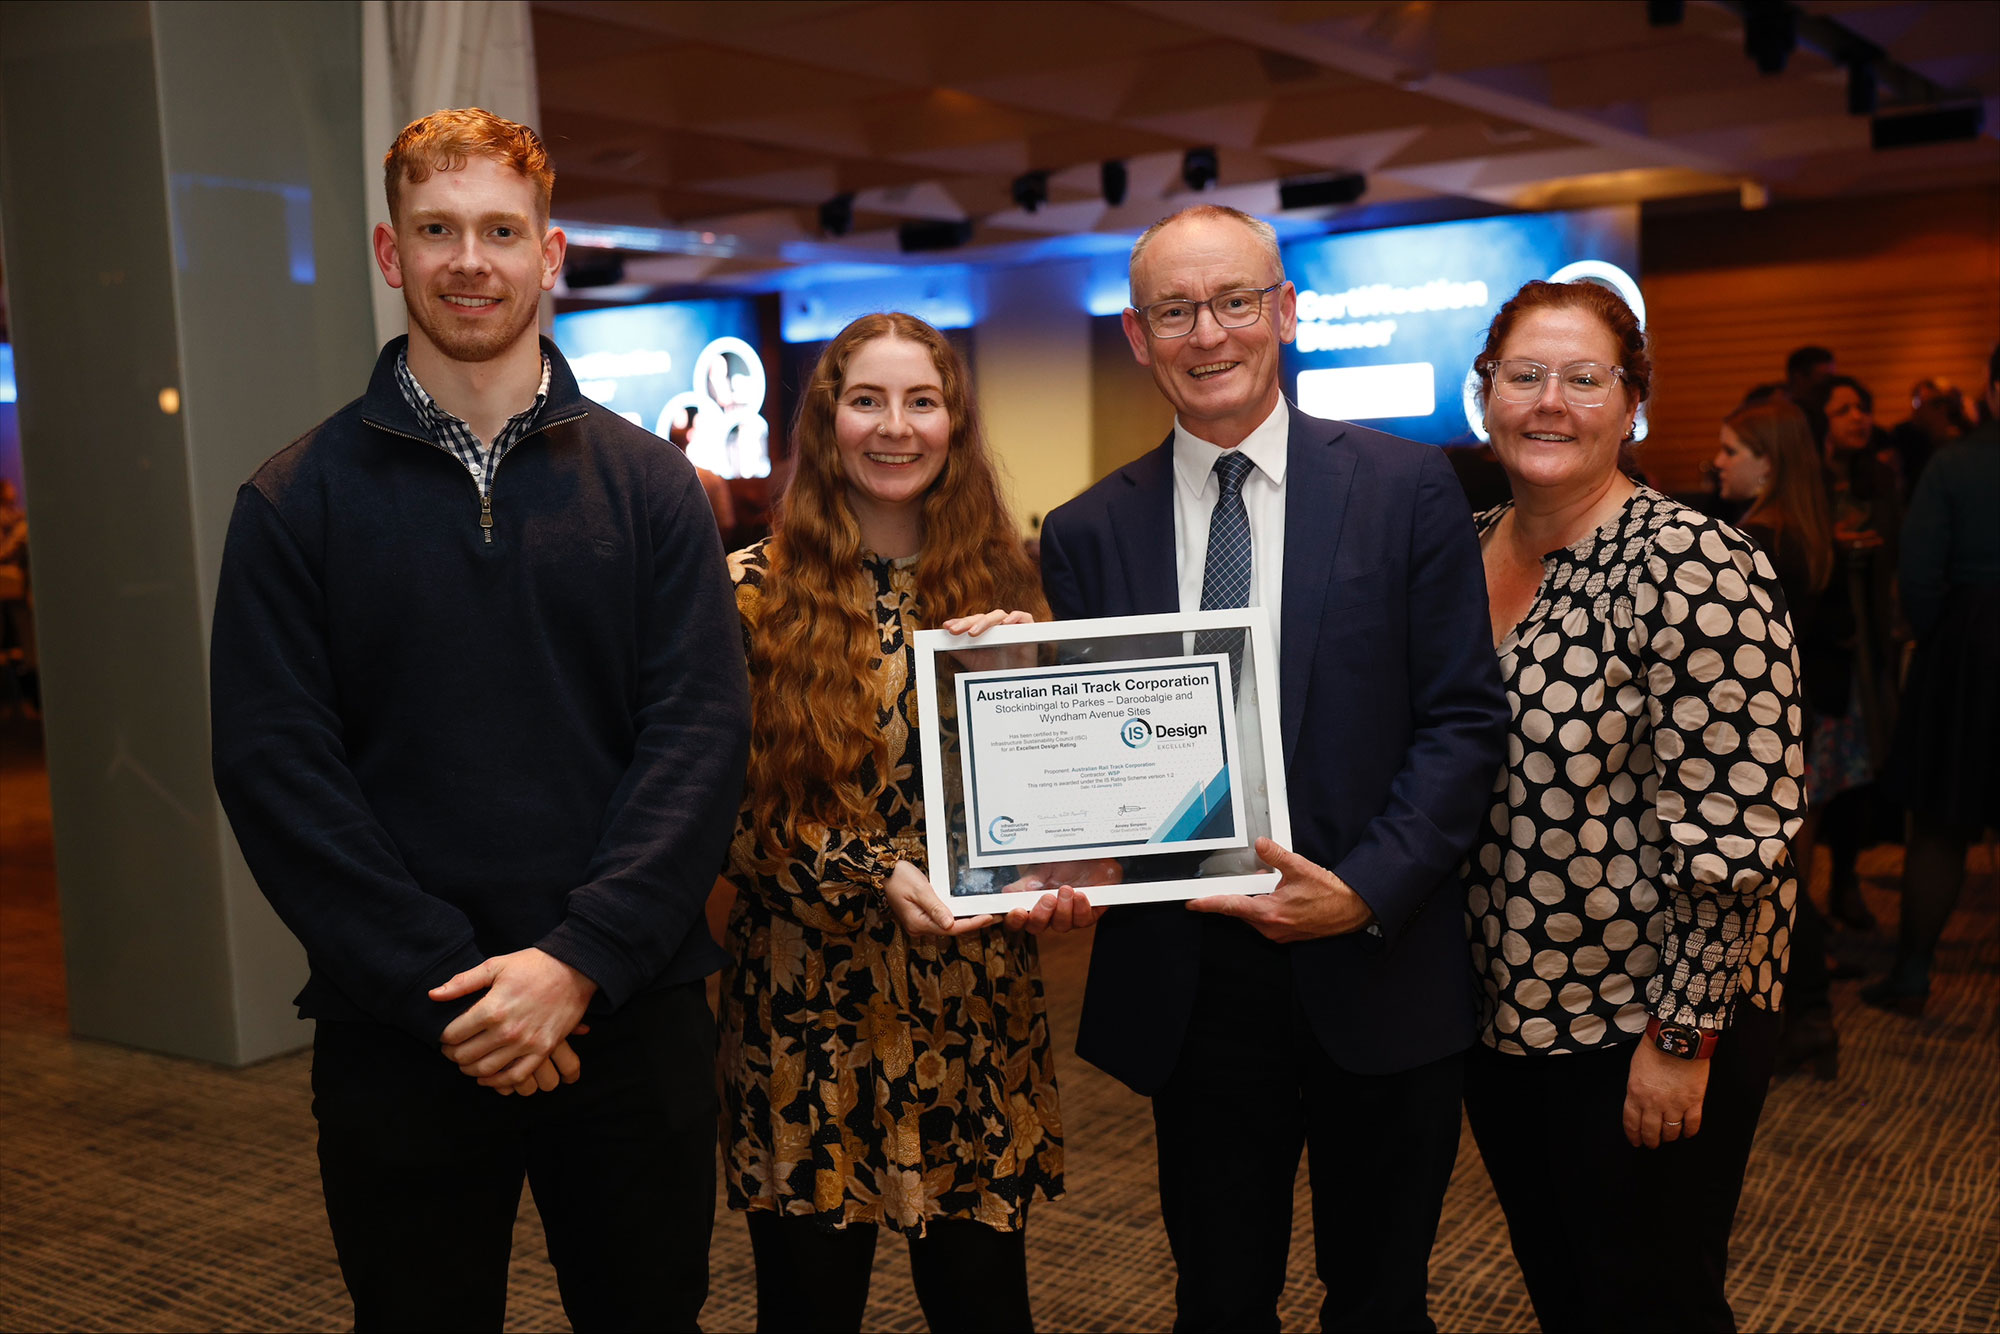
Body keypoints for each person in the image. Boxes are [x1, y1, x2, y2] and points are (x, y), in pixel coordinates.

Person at [209, 108, 750, 1331]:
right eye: (438, 229)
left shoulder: (653, 490)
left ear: (549, 254)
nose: (471, 259)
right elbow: (278, 771)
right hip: (405, 1028)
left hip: (627, 1012)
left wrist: (576, 964)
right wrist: (453, 988)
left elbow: (698, 740)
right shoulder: (296, 501)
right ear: (390, 254)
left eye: (501, 231)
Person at [1036, 204, 1509, 1332]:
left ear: (1283, 312)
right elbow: (1101, 753)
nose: (1209, 333)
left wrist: (1360, 889)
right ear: (1138, 337)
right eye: (1175, 310)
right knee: (1217, 1297)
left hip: (1377, 959)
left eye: (1233, 300)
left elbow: (1460, 720)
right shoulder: (1087, 531)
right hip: (1196, 985)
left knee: (1381, 1299)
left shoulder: (1408, 487)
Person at [719, 312, 1086, 1332]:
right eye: (865, 400)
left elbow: (1049, 806)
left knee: (983, 1308)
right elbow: (714, 812)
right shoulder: (747, 593)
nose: (895, 426)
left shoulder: (1010, 594)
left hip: (972, 1007)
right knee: (808, 1308)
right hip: (805, 1011)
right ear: (826, 420)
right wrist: (869, 870)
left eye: (920, 401)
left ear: (955, 423)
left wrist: (1030, 680)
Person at [1461, 279, 1805, 1333]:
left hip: (1641, 1015)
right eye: (1523, 375)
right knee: (1565, 1289)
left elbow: (1740, 824)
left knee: (1650, 1298)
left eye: (1581, 377)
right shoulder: (1461, 548)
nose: (1548, 401)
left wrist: (1680, 1033)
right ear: (1485, 397)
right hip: (1500, 1011)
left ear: (1632, 406)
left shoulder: (1694, 564)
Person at [1713, 398, 1842, 1078]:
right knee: (1779, 867)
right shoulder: (1803, 529)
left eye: (1732, 450)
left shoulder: (1756, 542)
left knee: (1770, 875)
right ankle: (1808, 1016)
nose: (1718, 461)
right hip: (1794, 721)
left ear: (1768, 461)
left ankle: (1805, 1014)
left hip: (1759, 733)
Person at [1870, 343, 2000, 1012]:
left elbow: (1917, 576)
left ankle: (1913, 972)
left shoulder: (1955, 463)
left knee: (1942, 826)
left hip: (1971, 646)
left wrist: (1935, 637)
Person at [1807, 373, 1903, 931]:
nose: (1859, 418)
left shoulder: (1877, 480)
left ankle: (1846, 883)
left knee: (1859, 778)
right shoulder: (1810, 484)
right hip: (1826, 651)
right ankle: (1810, 916)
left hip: (1869, 645)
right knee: (1819, 785)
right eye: (1845, 410)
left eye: (1863, 408)